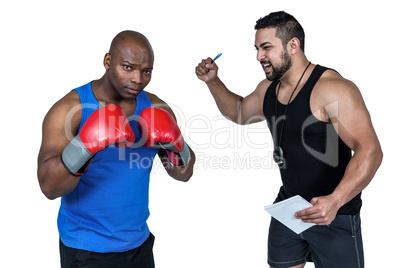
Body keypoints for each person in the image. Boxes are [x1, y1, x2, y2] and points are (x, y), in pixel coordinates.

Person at [195, 11, 382, 268]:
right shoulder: (268, 89)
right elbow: (238, 112)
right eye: (257, 48)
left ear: (293, 45)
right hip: (289, 207)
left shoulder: (332, 89)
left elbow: (370, 150)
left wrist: (335, 200)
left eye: (266, 48)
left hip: (334, 214)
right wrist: (212, 81)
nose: (259, 56)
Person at [37, 30, 195, 268]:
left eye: (146, 71)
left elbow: (184, 174)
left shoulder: (155, 108)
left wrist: (177, 145)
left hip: (139, 245)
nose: (138, 79)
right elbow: (49, 187)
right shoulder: (71, 109)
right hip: (86, 250)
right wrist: (86, 145)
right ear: (108, 62)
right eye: (128, 67)